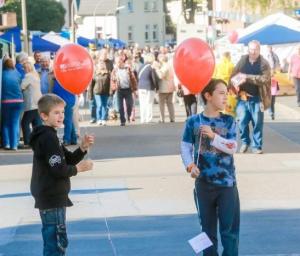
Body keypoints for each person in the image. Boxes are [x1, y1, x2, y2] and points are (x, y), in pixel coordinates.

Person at [29, 94, 94, 256]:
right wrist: (79, 169)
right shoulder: (48, 138)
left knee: (53, 240)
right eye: (56, 113)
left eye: (63, 112)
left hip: (51, 194)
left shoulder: (51, 135)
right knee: (56, 242)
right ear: (44, 116)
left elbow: (68, 159)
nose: (61, 116)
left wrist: (82, 148)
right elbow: (58, 169)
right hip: (51, 195)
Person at [181, 79, 239, 256]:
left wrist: (214, 137)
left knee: (229, 233)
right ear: (208, 96)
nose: (225, 97)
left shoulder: (229, 121)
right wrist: (190, 166)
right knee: (207, 232)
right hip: (203, 185)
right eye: (221, 93)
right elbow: (185, 146)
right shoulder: (193, 121)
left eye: (226, 93)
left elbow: (232, 147)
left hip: (227, 186)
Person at [230, 40, 271, 154]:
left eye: (255, 49)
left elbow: (265, 79)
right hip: (243, 98)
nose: (253, 52)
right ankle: (245, 142)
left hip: (258, 98)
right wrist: (233, 84)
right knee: (241, 122)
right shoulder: (243, 60)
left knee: (257, 123)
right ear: (248, 50)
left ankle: (257, 146)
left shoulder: (264, 63)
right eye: (251, 49)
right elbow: (234, 74)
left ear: (259, 50)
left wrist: (247, 77)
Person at [1, 58, 23, 150]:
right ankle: (14, 145)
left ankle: (7, 143)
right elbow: (20, 84)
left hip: (6, 101)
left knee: (5, 123)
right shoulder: (17, 73)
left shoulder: (2, 74)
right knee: (14, 123)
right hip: (18, 101)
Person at [21, 61, 42, 148]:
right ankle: (39, 142)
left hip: (31, 104)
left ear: (27, 68)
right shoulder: (36, 75)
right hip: (38, 103)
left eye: (24, 68)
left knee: (24, 122)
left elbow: (21, 86)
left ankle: (28, 142)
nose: (23, 69)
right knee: (37, 124)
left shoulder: (28, 76)